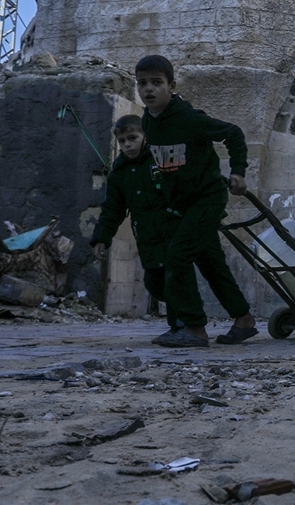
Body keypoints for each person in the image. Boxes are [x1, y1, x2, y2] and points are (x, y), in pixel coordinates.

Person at [135, 54, 258, 348]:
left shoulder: (188, 118)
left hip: (207, 198)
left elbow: (233, 134)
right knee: (210, 261)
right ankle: (243, 320)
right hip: (181, 205)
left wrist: (238, 172)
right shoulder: (148, 122)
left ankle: (193, 328)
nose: (149, 89)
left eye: (156, 83)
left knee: (177, 256)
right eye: (142, 84)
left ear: (172, 85)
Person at [89, 115, 184, 344]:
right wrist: (102, 237)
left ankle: (181, 325)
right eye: (122, 141)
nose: (127, 145)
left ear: (145, 136)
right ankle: (182, 318)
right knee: (154, 281)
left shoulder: (162, 158)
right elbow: (113, 208)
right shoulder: (120, 172)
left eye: (132, 138)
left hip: (173, 230)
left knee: (175, 278)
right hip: (147, 235)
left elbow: (185, 185)